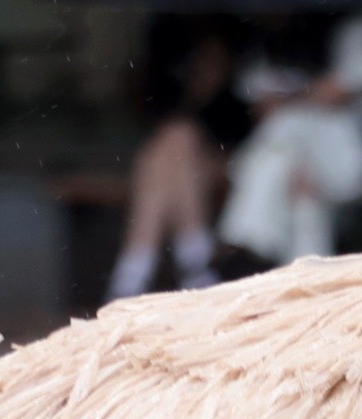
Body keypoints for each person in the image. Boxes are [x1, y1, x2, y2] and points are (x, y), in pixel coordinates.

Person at [219, 12, 362, 266]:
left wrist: (292, 99)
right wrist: (305, 95)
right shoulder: (265, 37)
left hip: (346, 156)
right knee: (302, 197)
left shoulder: (354, 24)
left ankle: (245, 238)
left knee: (286, 126)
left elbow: (338, 90)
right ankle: (310, 281)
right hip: (300, 168)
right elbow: (261, 104)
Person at [108, 16, 256, 302]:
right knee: (165, 155)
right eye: (201, 61)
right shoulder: (174, 96)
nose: (207, 67)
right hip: (186, 171)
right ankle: (196, 265)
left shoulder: (236, 101)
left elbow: (244, 147)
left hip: (228, 167)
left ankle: (131, 272)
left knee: (171, 146)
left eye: (215, 60)